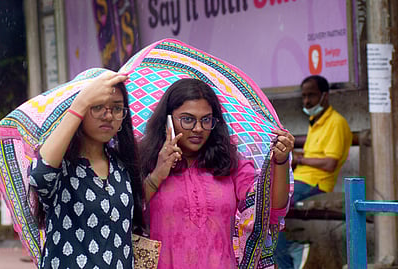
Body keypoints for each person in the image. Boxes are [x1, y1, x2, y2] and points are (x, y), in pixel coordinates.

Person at [139, 78, 294, 269]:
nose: (198, 129)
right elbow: (127, 214)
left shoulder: (230, 164)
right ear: (167, 121)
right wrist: (157, 175)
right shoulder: (143, 162)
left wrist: (281, 161)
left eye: (206, 120)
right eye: (188, 119)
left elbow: (270, 211)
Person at [29, 71, 144, 269]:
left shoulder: (121, 164)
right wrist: (80, 103)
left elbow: (126, 209)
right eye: (97, 107)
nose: (108, 116)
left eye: (117, 108)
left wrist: (159, 172)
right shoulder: (61, 166)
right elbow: (40, 175)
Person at [274, 75, 353, 269]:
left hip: (316, 184)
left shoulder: (336, 122)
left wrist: (299, 158)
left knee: (271, 207)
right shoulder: (315, 120)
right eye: (304, 96)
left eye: (311, 95)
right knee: (264, 204)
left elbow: (330, 163)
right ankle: (290, 254)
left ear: (325, 96)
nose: (307, 101)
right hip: (299, 179)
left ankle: (291, 253)